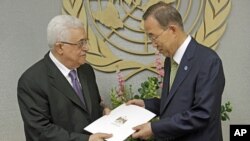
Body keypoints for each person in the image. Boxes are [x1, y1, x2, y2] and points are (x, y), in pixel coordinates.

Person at [127, 2, 225, 141]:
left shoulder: (208, 61)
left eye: (153, 37)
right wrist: (146, 104)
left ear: (172, 30)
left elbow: (202, 114)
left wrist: (155, 128)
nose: (153, 44)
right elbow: (176, 103)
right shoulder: (170, 60)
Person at [17, 15, 112, 141]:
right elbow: (40, 131)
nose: (87, 48)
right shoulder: (31, 81)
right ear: (60, 47)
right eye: (80, 43)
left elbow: (88, 108)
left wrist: (103, 111)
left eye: (86, 41)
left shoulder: (86, 70)